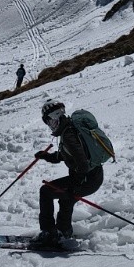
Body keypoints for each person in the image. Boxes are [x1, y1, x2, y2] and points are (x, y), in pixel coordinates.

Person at [31, 99, 104, 250]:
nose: (49, 125)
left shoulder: (69, 135)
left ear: (55, 117)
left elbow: (82, 163)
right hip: (92, 177)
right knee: (65, 199)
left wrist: (75, 186)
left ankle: (49, 233)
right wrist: (46, 156)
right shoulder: (69, 130)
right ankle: (63, 232)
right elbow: (65, 156)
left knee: (45, 192)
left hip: (87, 179)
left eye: (48, 121)